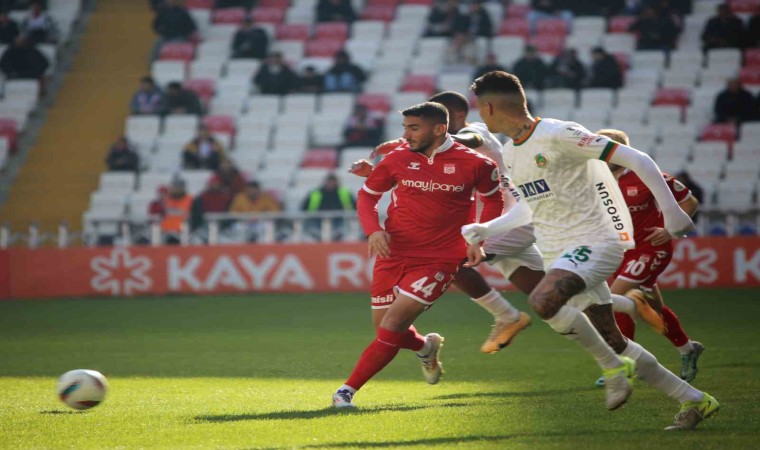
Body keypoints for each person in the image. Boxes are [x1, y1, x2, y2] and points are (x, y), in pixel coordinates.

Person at [463, 71, 718, 430]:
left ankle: (613, 368)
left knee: (543, 301)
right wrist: (487, 229)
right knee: (614, 339)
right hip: (556, 251)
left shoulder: (559, 133)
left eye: (479, 108)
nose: (480, 115)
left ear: (489, 107)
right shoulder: (510, 152)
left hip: (595, 243)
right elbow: (530, 206)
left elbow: (638, 158)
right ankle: (694, 400)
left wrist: (673, 213)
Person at [332, 102, 505, 409]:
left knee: (394, 322)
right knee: (387, 329)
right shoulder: (397, 158)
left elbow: (493, 201)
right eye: (405, 127)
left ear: (439, 129)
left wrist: (479, 237)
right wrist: (373, 231)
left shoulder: (477, 164)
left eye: (413, 128)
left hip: (440, 258)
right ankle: (425, 347)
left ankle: (345, 391)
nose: (406, 135)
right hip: (393, 252)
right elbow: (367, 196)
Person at [350, 91, 544, 354]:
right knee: (549, 298)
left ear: (459, 115)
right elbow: (423, 180)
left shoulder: (475, 133)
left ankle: (507, 315)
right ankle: (598, 322)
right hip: (500, 224)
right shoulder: (437, 153)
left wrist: (402, 143)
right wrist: (375, 173)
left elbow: (466, 141)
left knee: (449, 258)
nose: (434, 124)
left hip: (506, 221)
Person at [593, 129, 703, 387]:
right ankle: (688, 349)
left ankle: (622, 364)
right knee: (653, 309)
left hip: (651, 249)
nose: (600, 154)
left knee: (613, 299)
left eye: (605, 149)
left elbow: (690, 202)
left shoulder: (645, 175)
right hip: (620, 253)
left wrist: (669, 230)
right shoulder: (596, 179)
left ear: (620, 152)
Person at [301, 173, 355, 240]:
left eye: (333, 181)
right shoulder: (315, 193)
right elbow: (304, 209)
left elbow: (355, 207)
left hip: (340, 221)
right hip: (316, 221)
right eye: (329, 181)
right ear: (325, 182)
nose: (331, 183)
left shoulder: (345, 193)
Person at [160, 176, 193, 245]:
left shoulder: (190, 200)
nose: (176, 189)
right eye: (174, 187)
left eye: (178, 187)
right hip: (165, 232)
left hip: (182, 233)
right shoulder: (165, 200)